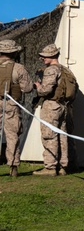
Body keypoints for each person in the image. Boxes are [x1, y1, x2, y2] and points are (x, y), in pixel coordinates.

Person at [33, 44, 74, 176]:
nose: (42, 58)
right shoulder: (67, 71)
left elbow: (45, 90)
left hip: (51, 106)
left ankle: (50, 167)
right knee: (62, 136)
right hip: (63, 106)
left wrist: (38, 86)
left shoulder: (51, 70)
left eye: (44, 56)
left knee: (49, 135)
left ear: (51, 55)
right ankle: (63, 166)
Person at [0, 39, 31, 178]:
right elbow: (27, 88)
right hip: (11, 104)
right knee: (12, 135)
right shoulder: (18, 68)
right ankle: (13, 166)